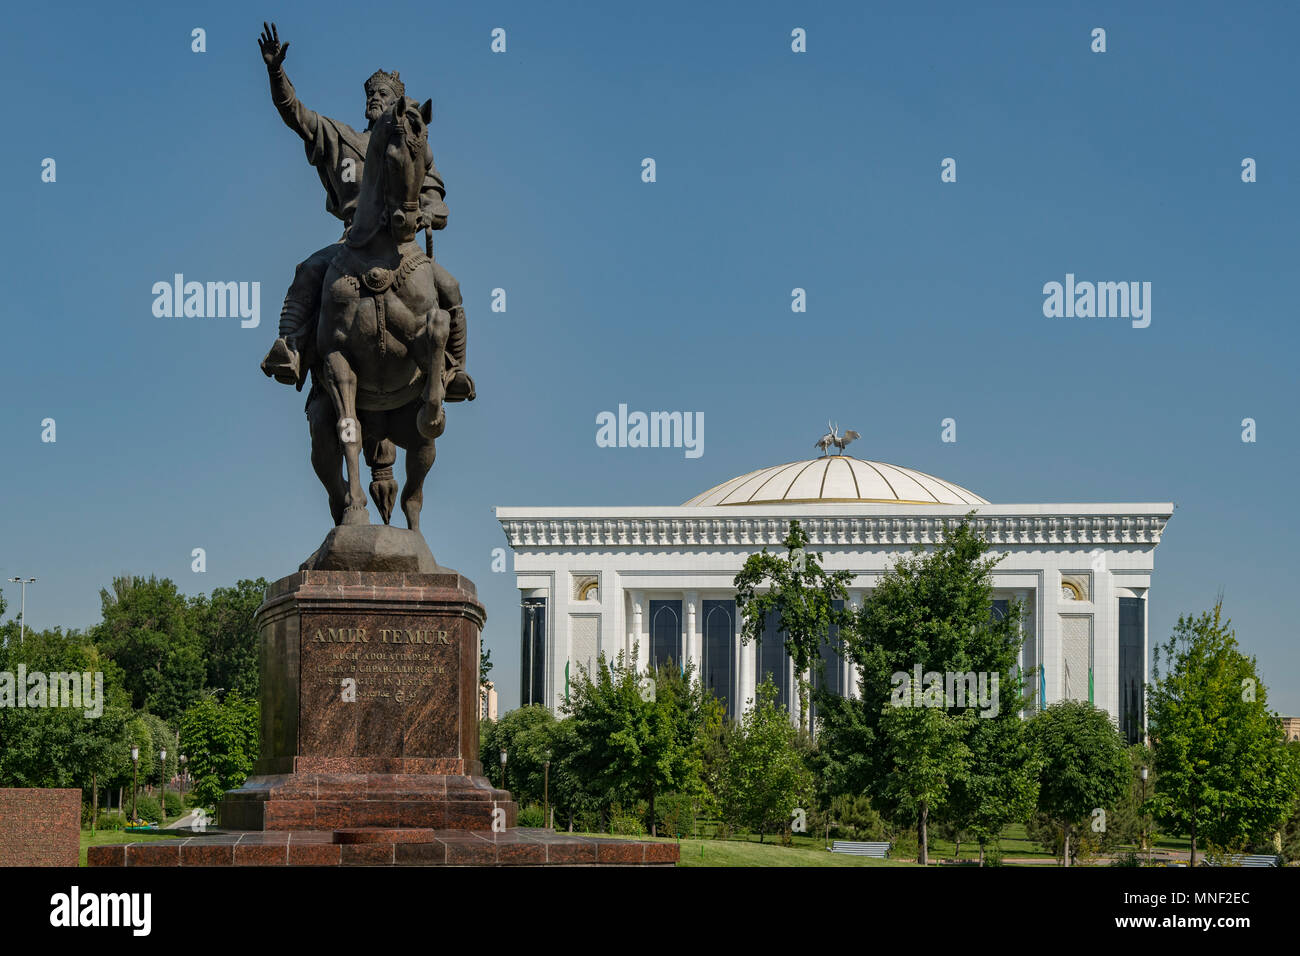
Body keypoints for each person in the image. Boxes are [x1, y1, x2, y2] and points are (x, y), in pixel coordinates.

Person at [256, 22, 473, 401]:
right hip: (352, 240)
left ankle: (454, 371)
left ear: (398, 105)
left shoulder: (413, 144)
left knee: (450, 286)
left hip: (403, 245)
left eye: (383, 94)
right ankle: (290, 348)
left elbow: (437, 201)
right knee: (308, 270)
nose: (375, 98)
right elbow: (296, 114)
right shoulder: (341, 138)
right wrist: (276, 72)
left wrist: (428, 213)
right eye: (371, 93)